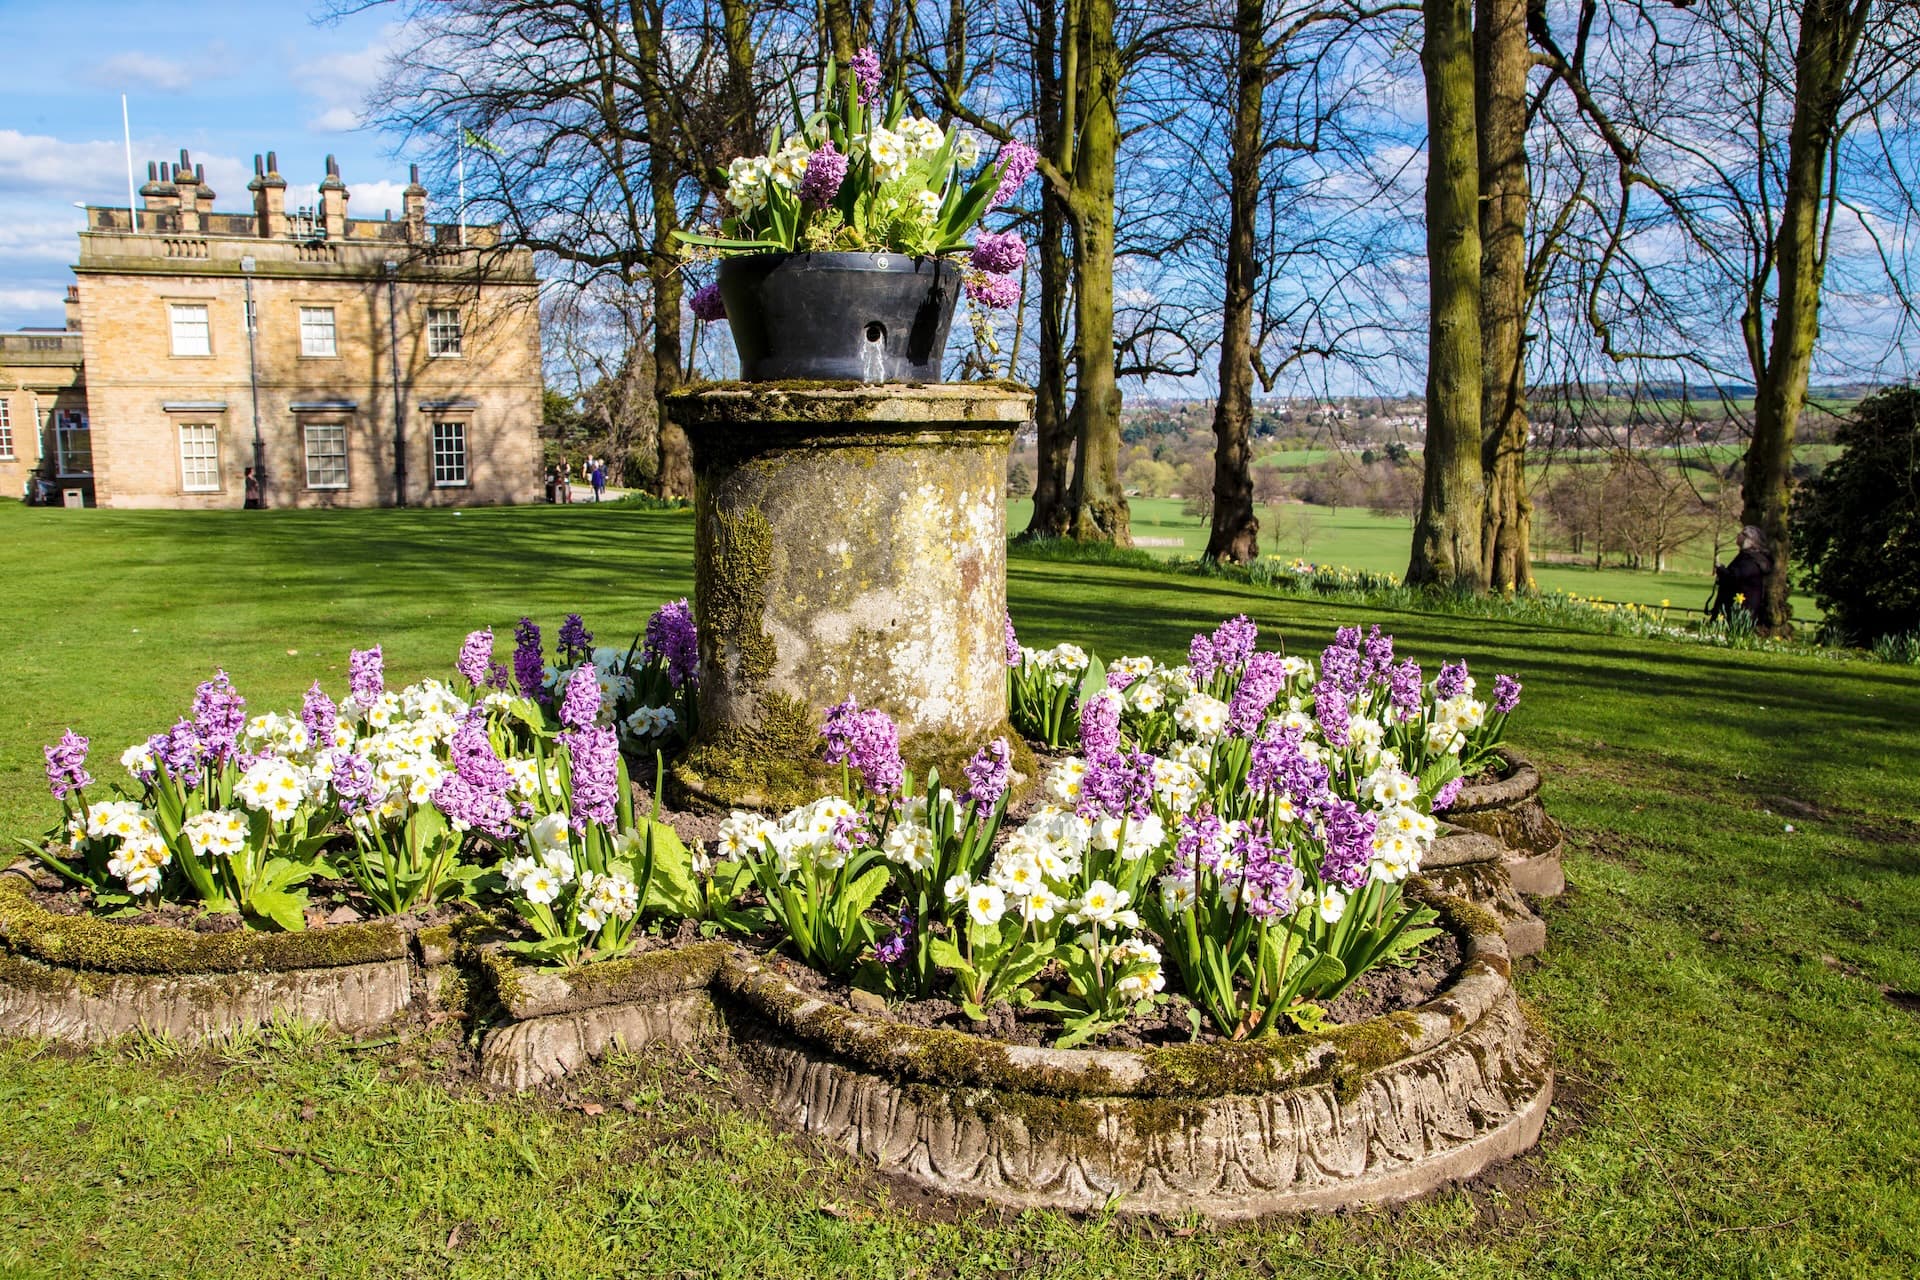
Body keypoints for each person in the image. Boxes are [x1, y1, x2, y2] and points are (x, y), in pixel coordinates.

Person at [1710, 524, 1772, 627]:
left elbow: (1734, 579)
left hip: (1739, 608)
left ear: (1749, 540)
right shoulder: (1747, 557)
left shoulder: (1750, 560)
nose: (1738, 535)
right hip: (1735, 606)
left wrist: (1721, 570)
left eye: (1742, 534)